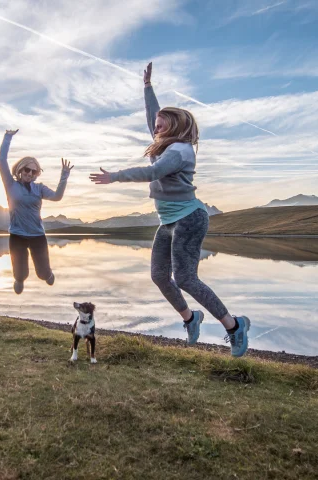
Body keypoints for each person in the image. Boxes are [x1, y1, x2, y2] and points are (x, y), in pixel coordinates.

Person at [89, 63, 251, 357]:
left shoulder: (180, 151)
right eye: (156, 125)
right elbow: (154, 116)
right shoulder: (166, 144)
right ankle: (191, 318)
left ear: (176, 126)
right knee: (159, 275)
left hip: (189, 219)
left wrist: (115, 176)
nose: (155, 127)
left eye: (162, 125)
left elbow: (155, 173)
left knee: (186, 278)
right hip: (169, 221)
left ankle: (234, 326)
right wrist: (147, 88)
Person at [0, 129, 73, 294]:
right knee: (20, 273)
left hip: (37, 235)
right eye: (27, 170)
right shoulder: (11, 185)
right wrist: (7, 138)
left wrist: (64, 177)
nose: (30, 174)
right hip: (17, 235)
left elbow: (57, 197)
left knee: (42, 272)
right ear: (20, 169)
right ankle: (19, 280)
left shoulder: (39, 188)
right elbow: (2, 160)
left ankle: (48, 274)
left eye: (34, 171)